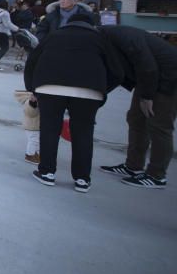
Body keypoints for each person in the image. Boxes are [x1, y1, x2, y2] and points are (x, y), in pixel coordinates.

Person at [24, 12, 121, 193]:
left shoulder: (54, 35)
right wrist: (102, 89)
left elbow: (32, 62)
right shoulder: (99, 39)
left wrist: (32, 88)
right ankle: (82, 179)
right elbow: (117, 70)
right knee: (83, 133)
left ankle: (47, 172)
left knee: (50, 129)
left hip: (50, 88)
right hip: (89, 92)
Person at [100, 25, 177, 188]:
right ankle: (133, 166)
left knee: (158, 124)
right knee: (136, 119)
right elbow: (116, 72)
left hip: (168, 77)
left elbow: (147, 65)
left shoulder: (123, 36)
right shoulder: (106, 38)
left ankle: (156, 175)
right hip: (148, 79)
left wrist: (147, 96)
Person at [14, 90, 42, 164]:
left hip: (36, 125)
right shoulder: (29, 101)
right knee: (34, 140)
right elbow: (30, 113)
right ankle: (29, 155)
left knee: (37, 141)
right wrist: (33, 103)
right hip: (32, 126)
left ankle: (36, 154)